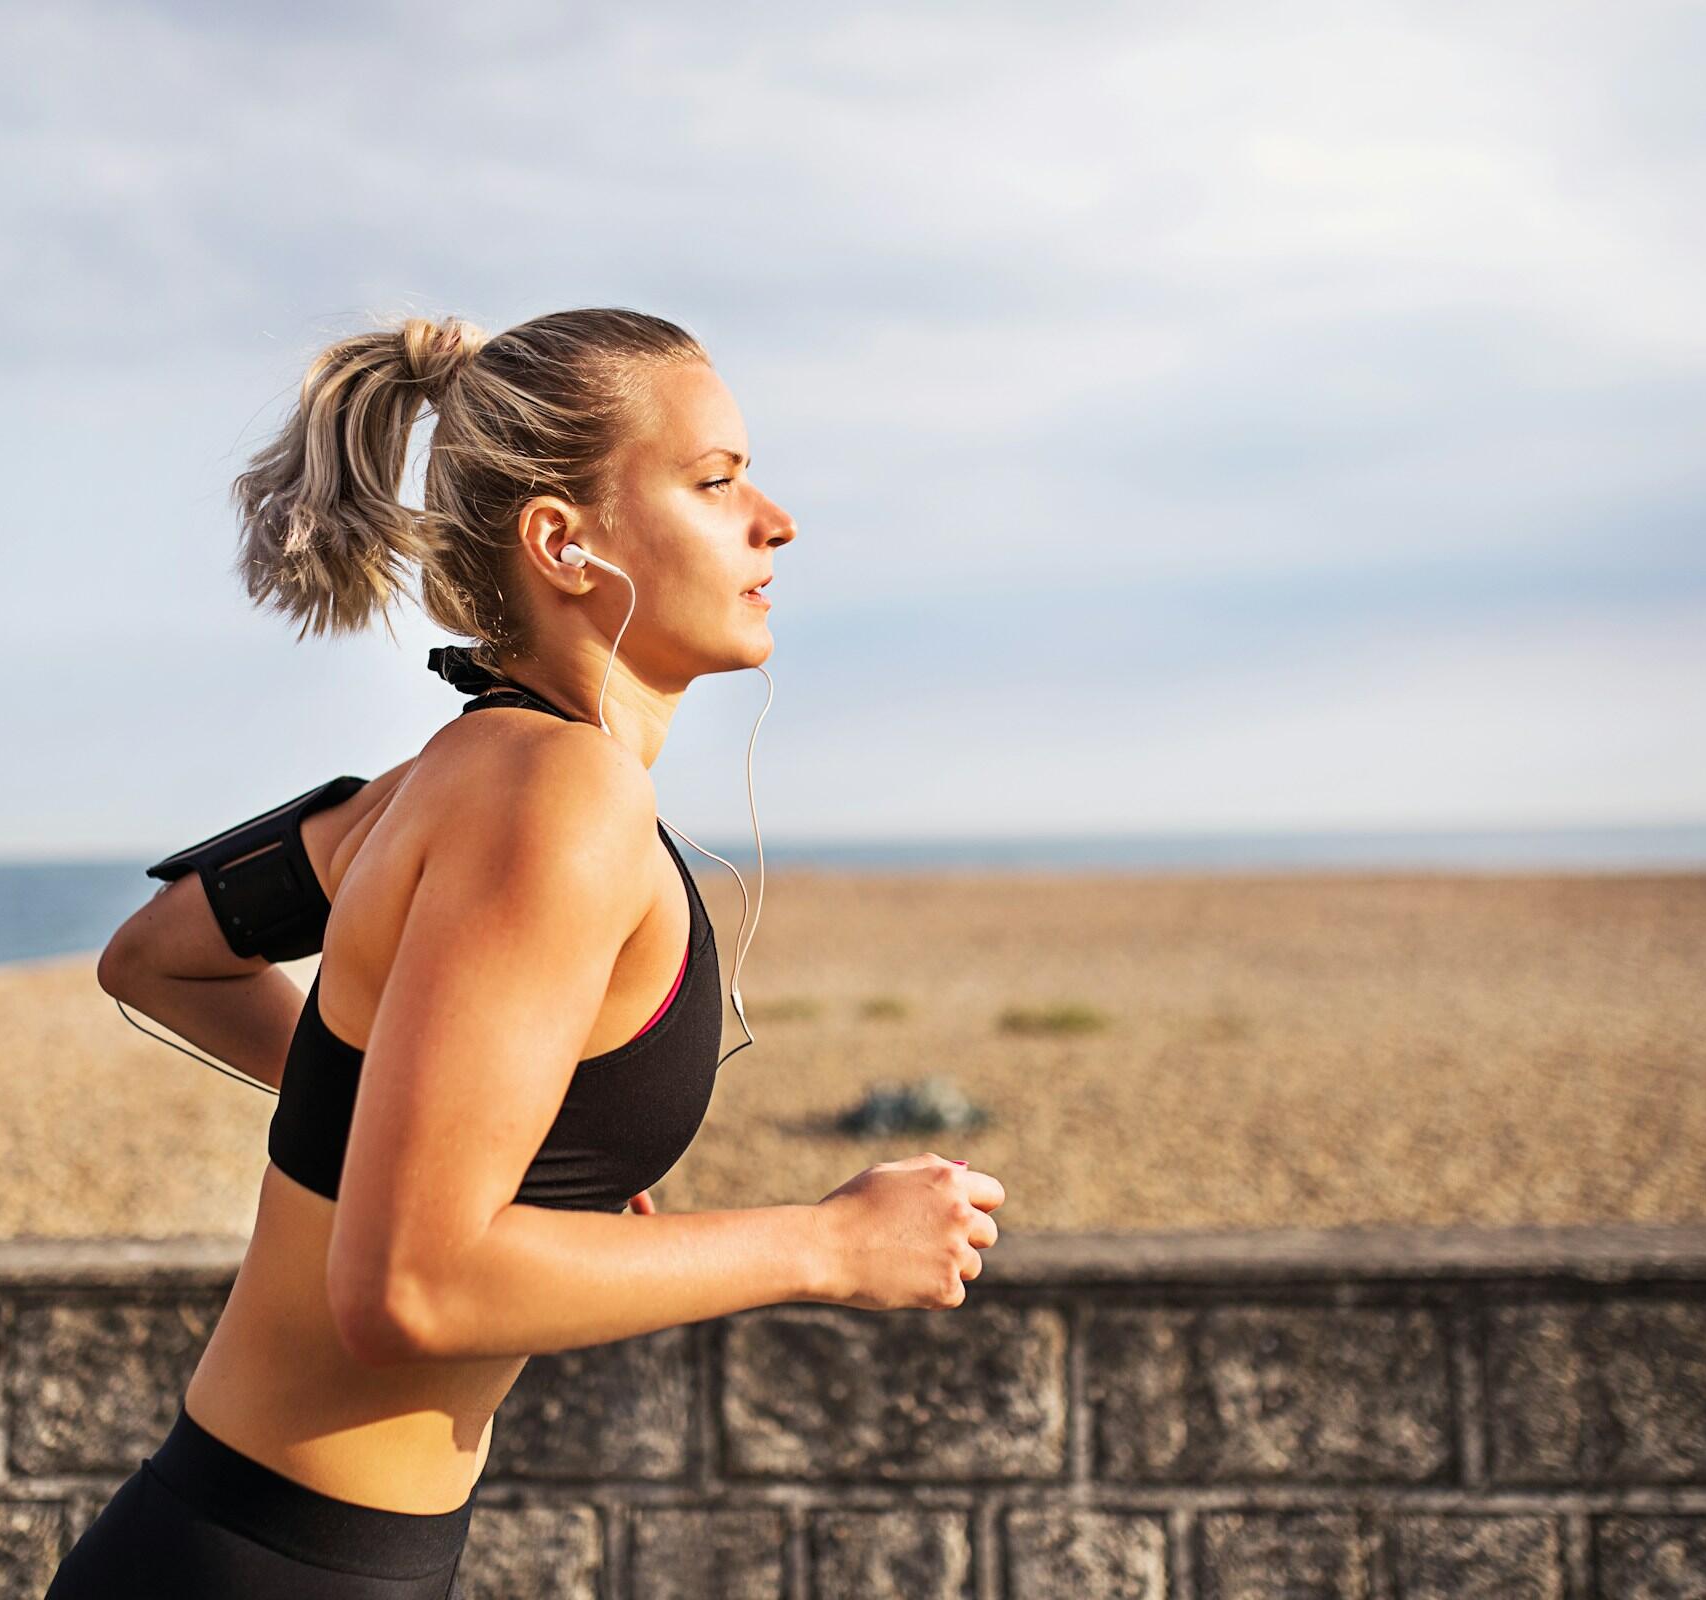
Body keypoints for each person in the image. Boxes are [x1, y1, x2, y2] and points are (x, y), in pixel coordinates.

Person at [49, 308, 1005, 1598]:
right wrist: (826, 1247)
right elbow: (411, 1287)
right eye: (717, 481)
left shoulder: (451, 778)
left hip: (256, 1544)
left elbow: (159, 955)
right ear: (564, 543)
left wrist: (434, 1126)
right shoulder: (554, 796)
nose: (774, 519)